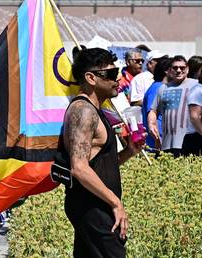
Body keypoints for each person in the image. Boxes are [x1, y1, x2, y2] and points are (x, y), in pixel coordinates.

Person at [60, 47, 144, 258]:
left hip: (96, 203)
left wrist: (129, 152)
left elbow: (98, 164)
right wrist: (115, 202)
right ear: (91, 78)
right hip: (92, 206)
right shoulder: (83, 110)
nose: (117, 80)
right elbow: (78, 167)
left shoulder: (95, 110)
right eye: (111, 74)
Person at [148, 55, 198, 156]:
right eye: (175, 68)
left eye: (182, 68)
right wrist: (151, 123)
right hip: (167, 144)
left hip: (192, 142)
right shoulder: (163, 88)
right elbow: (153, 110)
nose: (178, 70)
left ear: (187, 69)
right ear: (170, 70)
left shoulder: (197, 85)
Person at [142, 57, 171, 152]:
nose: (179, 71)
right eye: (175, 68)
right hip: (157, 146)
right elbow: (152, 114)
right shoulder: (157, 88)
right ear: (166, 71)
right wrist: (159, 139)